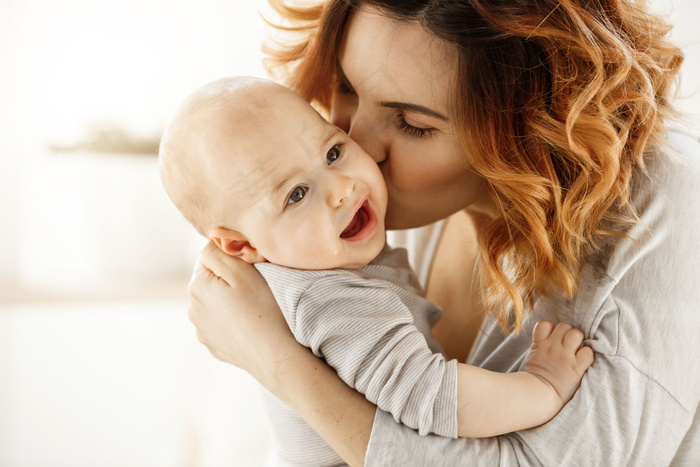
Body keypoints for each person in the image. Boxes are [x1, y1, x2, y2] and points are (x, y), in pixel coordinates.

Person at [186, 0, 700, 465]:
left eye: (410, 122)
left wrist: (274, 361)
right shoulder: (354, 219)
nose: (354, 147)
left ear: (524, 126)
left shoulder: (667, 200)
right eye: (346, 86)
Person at [159, 76, 593, 466]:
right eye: (296, 195)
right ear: (242, 245)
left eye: (332, 152)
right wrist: (543, 387)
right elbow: (433, 397)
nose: (341, 187)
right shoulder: (327, 299)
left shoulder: (322, 262)